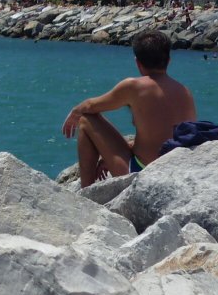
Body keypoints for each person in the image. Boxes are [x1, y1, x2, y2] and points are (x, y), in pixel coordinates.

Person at [61, 29, 197, 187]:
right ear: (169, 60)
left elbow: (91, 106)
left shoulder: (134, 87)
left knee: (85, 120)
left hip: (141, 171)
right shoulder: (185, 92)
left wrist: (75, 111)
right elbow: (169, 136)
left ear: (138, 63)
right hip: (173, 170)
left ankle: (86, 192)